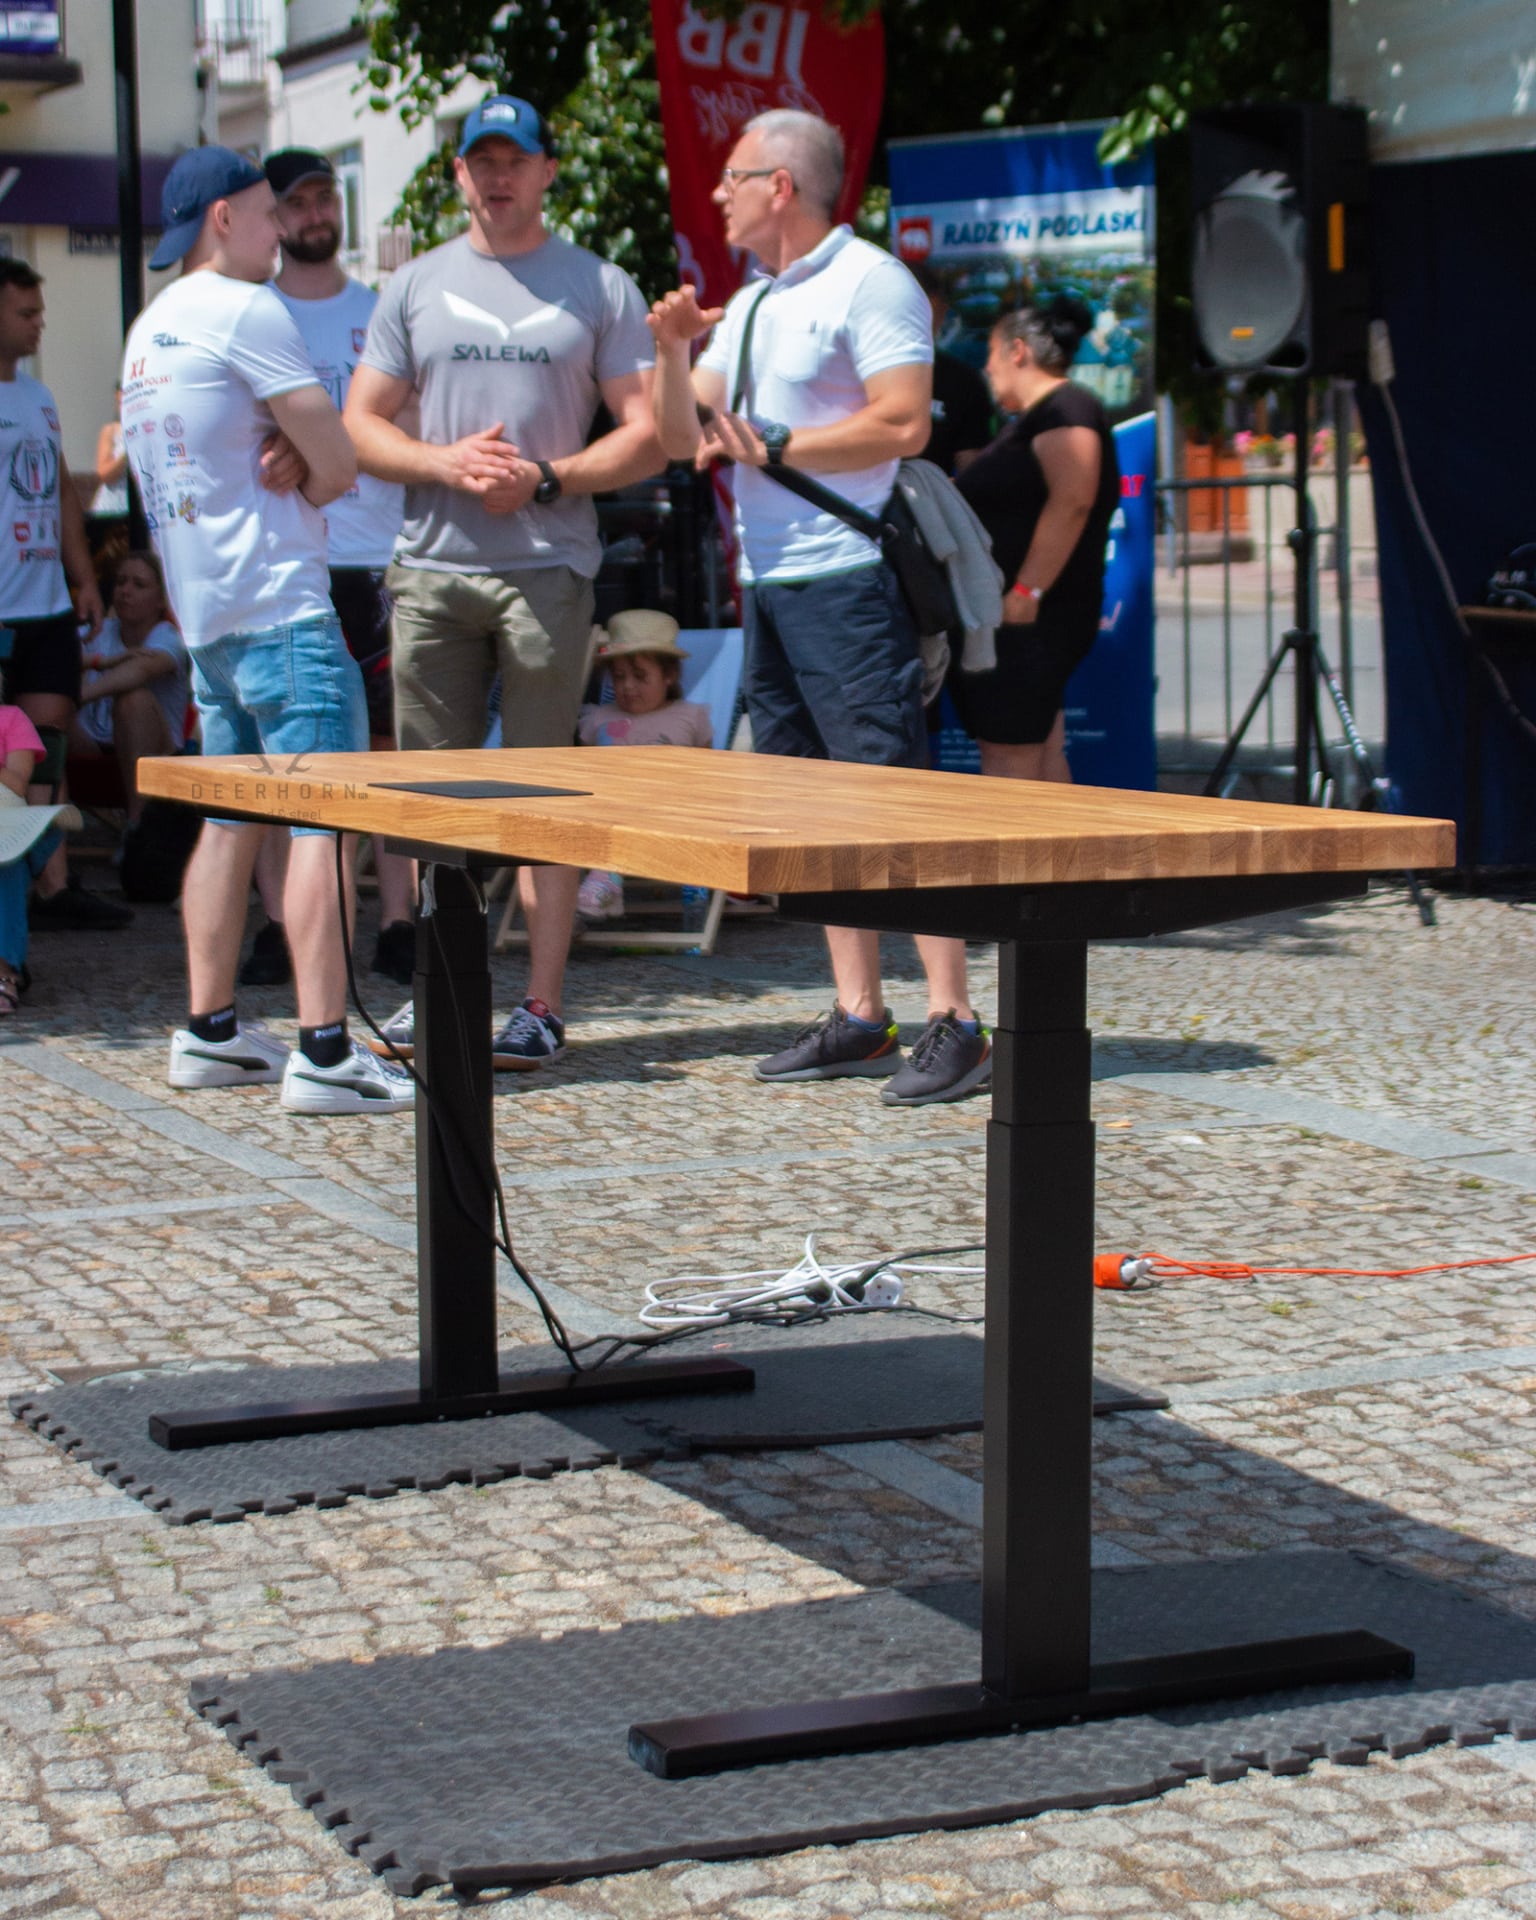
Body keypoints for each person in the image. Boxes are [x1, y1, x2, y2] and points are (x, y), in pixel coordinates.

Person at [649, 108, 989, 1108]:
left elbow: (905, 419)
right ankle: (860, 1013)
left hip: (849, 576)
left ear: (782, 186)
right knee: (811, 805)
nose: (718, 195)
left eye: (733, 178)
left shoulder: (870, 281)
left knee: (893, 802)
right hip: (770, 582)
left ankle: (957, 1021)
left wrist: (783, 441)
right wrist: (672, 352)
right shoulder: (753, 301)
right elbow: (681, 437)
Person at [346, 91, 660, 1072]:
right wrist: (445, 465)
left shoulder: (598, 284)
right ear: (458, 174)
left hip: (548, 570)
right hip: (435, 569)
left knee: (542, 796)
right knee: (432, 801)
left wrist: (549, 475)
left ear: (547, 170)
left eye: (514, 158)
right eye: (480, 158)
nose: (497, 174)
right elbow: (362, 422)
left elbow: (649, 432)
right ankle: (443, 992)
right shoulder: (414, 286)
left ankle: (542, 1005)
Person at [121, 145, 411, 1115]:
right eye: (265, 211)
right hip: (283, 609)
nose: (281, 228)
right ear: (224, 220)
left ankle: (208, 1031)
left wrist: (290, 448)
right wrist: (305, 452)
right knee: (323, 834)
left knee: (228, 824)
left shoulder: (149, 327)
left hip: (206, 617)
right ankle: (324, 1049)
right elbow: (337, 469)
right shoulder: (250, 309)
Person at [239, 148, 417, 994]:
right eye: (297, 202)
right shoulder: (252, 311)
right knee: (294, 760)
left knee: (388, 752)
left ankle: (398, 920)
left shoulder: (377, 309)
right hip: (288, 561)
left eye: (323, 198)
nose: (315, 214)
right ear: (271, 218)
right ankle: (283, 923)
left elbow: (408, 415)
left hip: (375, 553)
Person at [0, 258, 126, 932]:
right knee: (5, 757)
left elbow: (59, 497)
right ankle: (9, 886)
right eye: (25, 312)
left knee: (46, 744)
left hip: (45, 603)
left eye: (40, 312)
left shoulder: (40, 398)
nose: (39, 323)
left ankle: (54, 882)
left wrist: (83, 578)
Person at [951, 300, 1120, 783]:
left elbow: (1073, 501)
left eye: (991, 352)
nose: (986, 367)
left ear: (1017, 351)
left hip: (1031, 621)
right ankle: (1061, 860)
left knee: (1009, 758)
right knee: (1037, 751)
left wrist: (1028, 591)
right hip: (1022, 620)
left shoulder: (1067, 408)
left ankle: (1008, 861)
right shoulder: (1040, 417)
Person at [572, 608, 712, 926]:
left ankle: (602, 886)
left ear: (669, 675)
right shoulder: (598, 718)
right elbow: (585, 768)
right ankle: (603, 882)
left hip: (670, 812)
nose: (628, 686)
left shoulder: (690, 716)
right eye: (619, 677)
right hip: (611, 809)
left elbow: (709, 771)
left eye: (640, 676)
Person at [71, 550, 188, 825]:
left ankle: (136, 826)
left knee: (132, 700)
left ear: (161, 599)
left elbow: (141, 670)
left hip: (159, 756)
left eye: (139, 584)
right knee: (49, 707)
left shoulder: (167, 636)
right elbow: (58, 659)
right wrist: (104, 660)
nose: (125, 590)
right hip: (91, 750)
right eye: (121, 581)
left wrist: (80, 696)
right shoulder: (99, 630)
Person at [0, 701, 80, 1015]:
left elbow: (19, 783)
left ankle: (3, 969)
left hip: (8, 823)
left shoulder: (11, 718)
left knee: (7, 866)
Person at [909, 264, 993, 477]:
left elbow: (972, 473)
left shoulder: (961, 381)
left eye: (924, 310)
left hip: (926, 501)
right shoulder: (849, 369)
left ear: (941, 310)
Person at [91, 387, 130, 516]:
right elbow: (104, 474)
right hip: (113, 507)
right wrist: (127, 452)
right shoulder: (111, 431)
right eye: (120, 402)